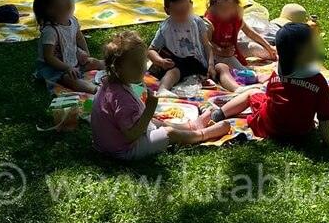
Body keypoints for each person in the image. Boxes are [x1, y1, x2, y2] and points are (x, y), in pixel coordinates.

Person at [92, 31, 230, 159]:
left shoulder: (111, 83)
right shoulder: (121, 98)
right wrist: (150, 108)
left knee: (154, 122)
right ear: (117, 68)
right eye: (135, 65)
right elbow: (131, 136)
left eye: (143, 62)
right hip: (123, 150)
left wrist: (146, 113)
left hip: (110, 143)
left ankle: (191, 126)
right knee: (169, 132)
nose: (143, 68)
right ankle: (201, 134)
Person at [204, 22, 329, 144]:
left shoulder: (276, 75)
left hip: (269, 127)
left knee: (252, 93)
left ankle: (220, 113)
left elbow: (270, 98)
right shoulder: (318, 81)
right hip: (300, 132)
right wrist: (327, 142)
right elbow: (325, 116)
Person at [33, 0, 103, 94]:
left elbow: (79, 37)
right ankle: (96, 90)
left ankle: (116, 66)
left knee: (93, 62)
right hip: (56, 68)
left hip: (73, 59)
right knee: (70, 79)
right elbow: (48, 57)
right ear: (51, 10)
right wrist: (67, 68)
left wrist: (85, 53)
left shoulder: (72, 21)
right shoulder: (51, 31)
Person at [204, 0, 277, 91]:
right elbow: (206, 44)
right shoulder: (210, 20)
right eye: (223, 8)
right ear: (214, 5)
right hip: (216, 55)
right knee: (233, 62)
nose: (227, 11)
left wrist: (268, 46)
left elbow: (250, 32)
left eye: (230, 8)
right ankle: (253, 77)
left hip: (232, 47)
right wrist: (221, 52)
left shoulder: (235, 15)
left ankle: (279, 58)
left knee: (253, 47)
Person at [147, 0, 215, 91]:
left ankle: (236, 89)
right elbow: (151, 50)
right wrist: (161, 62)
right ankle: (162, 92)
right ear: (167, 10)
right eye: (177, 12)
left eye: (186, 9)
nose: (182, 14)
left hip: (198, 62)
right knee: (172, 73)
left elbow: (207, 45)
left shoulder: (197, 22)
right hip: (178, 63)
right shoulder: (166, 28)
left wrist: (211, 64)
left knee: (222, 68)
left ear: (191, 4)